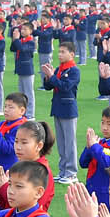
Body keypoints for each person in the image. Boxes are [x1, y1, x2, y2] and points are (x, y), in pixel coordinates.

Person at [40, 41, 80, 183]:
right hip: (57, 108)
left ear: (72, 54)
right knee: (61, 143)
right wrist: (47, 77)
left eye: (63, 52)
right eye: (59, 51)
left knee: (69, 142)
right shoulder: (59, 69)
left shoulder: (74, 70)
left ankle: (71, 172)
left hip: (68, 109)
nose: (60, 54)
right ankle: (63, 170)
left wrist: (52, 76)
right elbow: (48, 87)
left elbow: (65, 87)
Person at [81, 104, 110, 208]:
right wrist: (89, 147)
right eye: (102, 123)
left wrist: (95, 147)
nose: (105, 127)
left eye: (109, 124)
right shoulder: (99, 142)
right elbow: (83, 163)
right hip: (91, 191)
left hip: (106, 196)